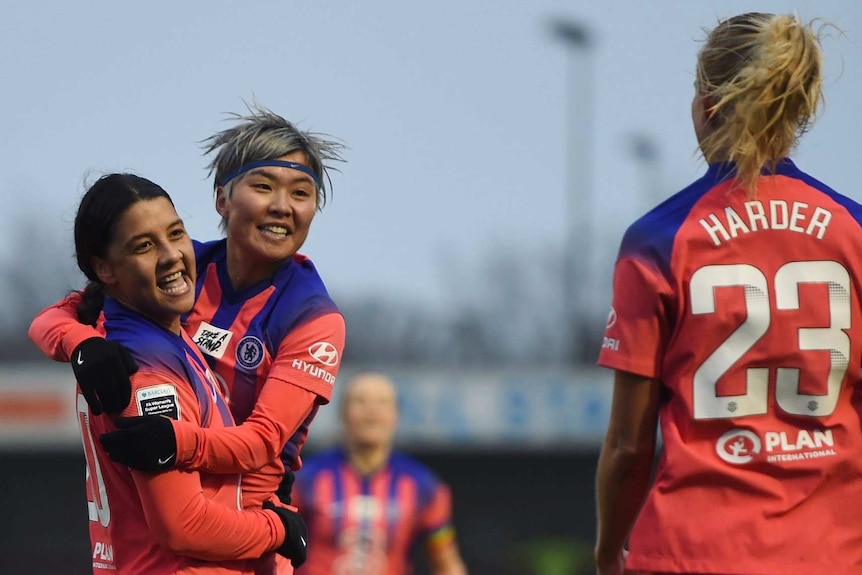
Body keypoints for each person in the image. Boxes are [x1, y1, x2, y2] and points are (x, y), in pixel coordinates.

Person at [594, 12, 862, 575]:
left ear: (707, 105)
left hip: (689, 552)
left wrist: (607, 552)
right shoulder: (853, 231)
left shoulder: (659, 238)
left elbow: (627, 449)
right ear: (797, 110)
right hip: (832, 554)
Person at [29, 104, 345, 504]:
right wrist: (82, 343)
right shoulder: (180, 267)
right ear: (222, 200)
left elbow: (262, 441)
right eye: (263, 187)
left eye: (301, 193)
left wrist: (172, 440)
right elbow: (50, 320)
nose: (283, 206)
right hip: (157, 505)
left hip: (245, 526)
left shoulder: (313, 318)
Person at [61, 173, 305, 574]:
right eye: (144, 246)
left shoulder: (154, 334)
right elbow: (184, 526)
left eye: (176, 234)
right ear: (104, 269)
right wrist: (277, 530)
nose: (172, 254)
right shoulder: (147, 367)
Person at [293, 373, 469, 575]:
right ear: (342, 414)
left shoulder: (424, 486)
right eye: (360, 401)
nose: (371, 410)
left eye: (382, 402)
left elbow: (446, 562)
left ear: (396, 415)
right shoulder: (306, 478)